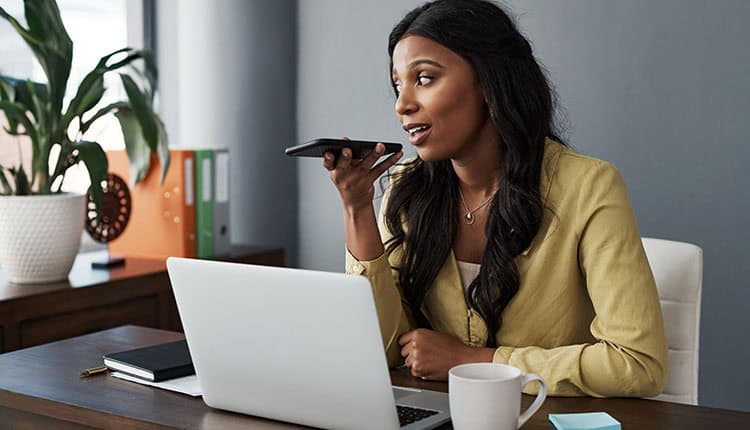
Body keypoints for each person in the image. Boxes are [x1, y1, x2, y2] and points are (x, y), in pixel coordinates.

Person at [323, 0, 667, 397]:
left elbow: (638, 363)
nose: (403, 105)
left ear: (488, 82)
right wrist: (357, 207)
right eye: (398, 84)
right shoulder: (406, 190)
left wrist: (477, 362)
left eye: (425, 78)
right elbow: (380, 350)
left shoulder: (589, 187)